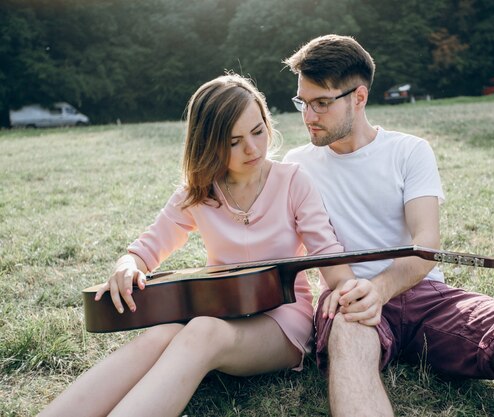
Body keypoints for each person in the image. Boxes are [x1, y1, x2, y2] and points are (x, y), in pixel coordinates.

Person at [283, 34, 494, 417]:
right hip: (349, 299)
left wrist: (380, 289)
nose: (308, 116)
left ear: (359, 97)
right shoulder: (296, 164)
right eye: (303, 103)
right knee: (349, 339)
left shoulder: (409, 151)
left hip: (422, 296)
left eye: (321, 103)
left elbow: (426, 246)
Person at [39, 73, 355, 417]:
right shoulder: (199, 191)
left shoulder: (293, 181)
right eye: (233, 141)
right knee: (161, 336)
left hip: (283, 323)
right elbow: (146, 248)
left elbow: (328, 255)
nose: (252, 148)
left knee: (202, 330)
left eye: (258, 131)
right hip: (223, 312)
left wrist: (348, 288)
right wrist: (127, 265)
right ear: (209, 145)